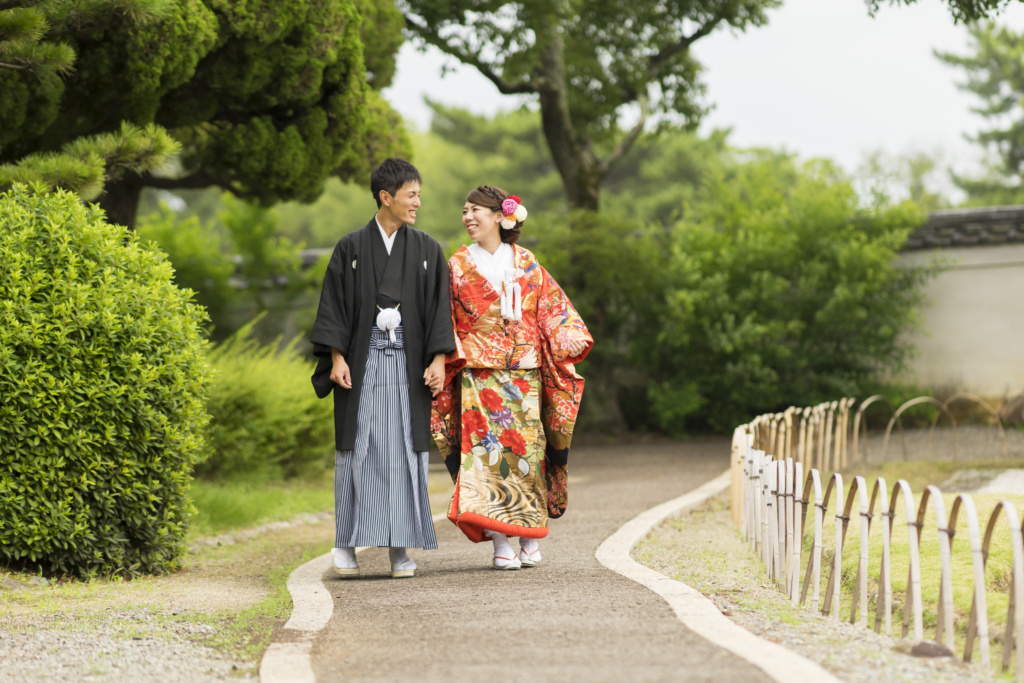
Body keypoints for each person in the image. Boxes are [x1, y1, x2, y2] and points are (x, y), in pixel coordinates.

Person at [432, 186, 592, 570]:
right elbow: (443, 319)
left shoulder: (526, 262)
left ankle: (526, 534)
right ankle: (501, 540)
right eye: (465, 210)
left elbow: (552, 307)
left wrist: (568, 336)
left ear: (500, 216)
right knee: (486, 457)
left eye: (476, 211)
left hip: (523, 373)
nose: (468, 217)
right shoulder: (455, 265)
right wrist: (442, 356)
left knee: (526, 452)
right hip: (477, 375)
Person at [310, 158, 455, 579]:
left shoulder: (427, 249)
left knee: (403, 456)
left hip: (408, 368)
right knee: (356, 452)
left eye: (419, 195)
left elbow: (438, 309)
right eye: (412, 195)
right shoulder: (350, 247)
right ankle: (346, 544)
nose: (418, 202)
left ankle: (399, 551)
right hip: (362, 362)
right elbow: (333, 307)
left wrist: (438, 359)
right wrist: (336, 357)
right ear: (385, 197)